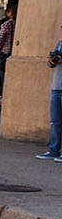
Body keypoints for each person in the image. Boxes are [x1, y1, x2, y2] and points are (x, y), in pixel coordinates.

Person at [38, 31, 62, 160]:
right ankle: (54, 150)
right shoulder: (60, 42)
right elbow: (51, 63)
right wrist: (52, 60)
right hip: (56, 86)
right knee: (55, 121)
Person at [0, 7, 15, 104]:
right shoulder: (18, 23)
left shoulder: (6, 24)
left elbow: (0, 39)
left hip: (5, 52)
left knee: (3, 75)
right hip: (14, 51)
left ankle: (3, 97)